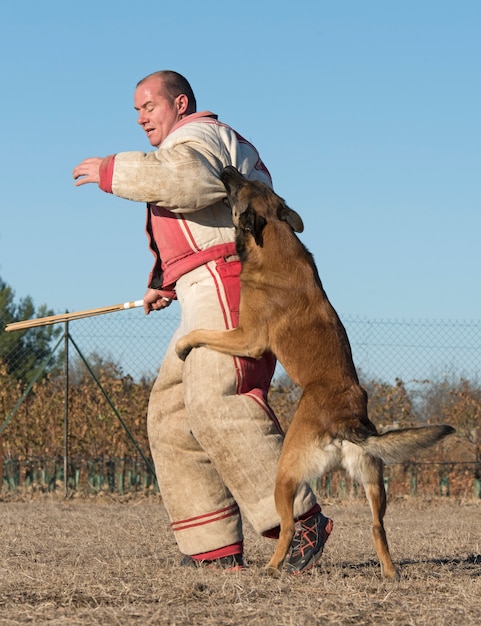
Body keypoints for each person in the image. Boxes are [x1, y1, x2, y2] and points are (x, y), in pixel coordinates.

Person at [73, 70, 333, 573]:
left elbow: (186, 183)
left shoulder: (197, 136)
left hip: (233, 284)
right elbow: (197, 225)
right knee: (171, 415)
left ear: (181, 102)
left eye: (150, 105)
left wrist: (112, 171)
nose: (142, 116)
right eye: (136, 110)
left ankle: (299, 521)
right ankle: (212, 547)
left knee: (218, 397)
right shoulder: (197, 141)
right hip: (203, 286)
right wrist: (165, 281)